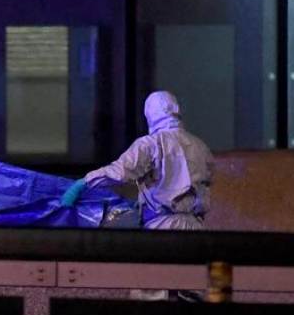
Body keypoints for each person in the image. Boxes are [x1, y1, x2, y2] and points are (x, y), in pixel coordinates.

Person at [62, 90, 213, 230]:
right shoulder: (201, 146)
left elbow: (120, 172)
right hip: (196, 228)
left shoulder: (151, 144)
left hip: (163, 227)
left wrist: (84, 182)